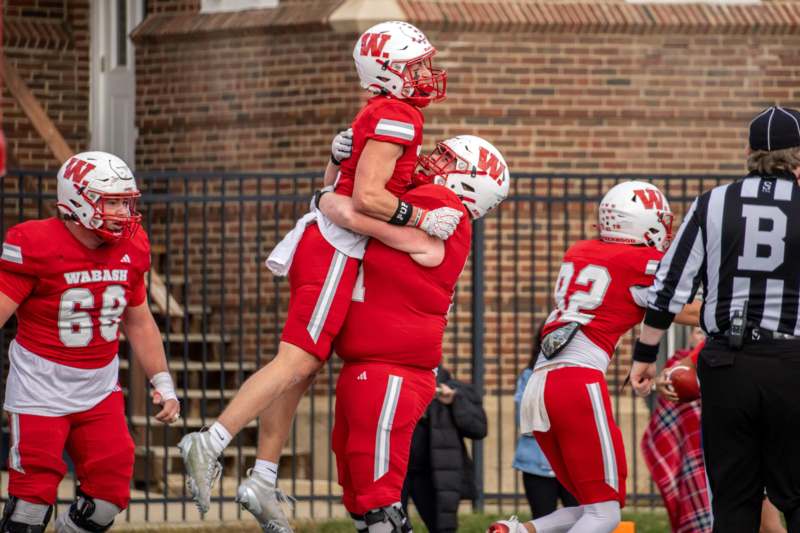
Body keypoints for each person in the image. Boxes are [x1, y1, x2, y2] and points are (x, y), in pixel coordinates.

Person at [177, 20, 456, 521]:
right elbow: (368, 196)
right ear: (388, 72)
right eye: (415, 65)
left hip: (326, 242)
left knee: (302, 368)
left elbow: (342, 177)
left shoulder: (381, 109)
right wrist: (419, 216)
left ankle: (263, 476)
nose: (425, 74)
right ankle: (211, 440)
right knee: (297, 362)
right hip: (335, 246)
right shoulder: (398, 114)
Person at [488, 180, 700, 533]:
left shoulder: (580, 250)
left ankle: (514, 531)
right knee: (606, 515)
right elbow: (685, 310)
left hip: (538, 384)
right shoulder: (641, 261)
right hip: (577, 382)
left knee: (590, 507)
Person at [322, 135, 509, 533]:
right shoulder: (425, 204)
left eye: (446, 158)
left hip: (393, 366)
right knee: (357, 490)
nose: (431, 159)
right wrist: (337, 166)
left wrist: (331, 185)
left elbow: (349, 209)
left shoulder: (443, 205)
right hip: (369, 361)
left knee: (379, 497)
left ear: (471, 181)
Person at [629, 105, 800, 532]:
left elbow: (668, 286)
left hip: (728, 364)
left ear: (749, 151)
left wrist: (645, 354)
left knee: (734, 501)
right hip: (792, 362)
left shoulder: (714, 202)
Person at [0, 152, 180, 533]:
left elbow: (140, 321)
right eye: (111, 201)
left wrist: (162, 382)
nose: (121, 212)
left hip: (98, 387)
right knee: (29, 506)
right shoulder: (37, 243)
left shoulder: (132, 247)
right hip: (39, 386)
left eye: (125, 202)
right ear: (77, 200)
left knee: (109, 496)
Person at [646, 328, 787, 533]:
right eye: (696, 332)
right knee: (733, 517)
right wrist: (664, 378)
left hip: (760, 437)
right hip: (728, 440)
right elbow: (683, 366)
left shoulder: (774, 338)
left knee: (767, 524)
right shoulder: (721, 338)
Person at [402, 366, 488, 533]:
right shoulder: (393, 384)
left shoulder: (449, 387)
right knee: (390, 525)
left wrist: (455, 402)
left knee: (441, 527)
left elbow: (478, 429)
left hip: (432, 474)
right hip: (396, 471)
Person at [642, 327, 711, 533]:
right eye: (698, 332)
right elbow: (667, 416)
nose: (701, 337)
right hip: (688, 450)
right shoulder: (676, 367)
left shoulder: (718, 362)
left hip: (717, 442)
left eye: (704, 334)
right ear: (690, 336)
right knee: (694, 496)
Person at [512, 322, 577, 519]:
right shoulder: (528, 376)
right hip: (536, 464)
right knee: (541, 522)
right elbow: (524, 419)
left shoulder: (578, 375)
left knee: (580, 522)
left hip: (574, 466)